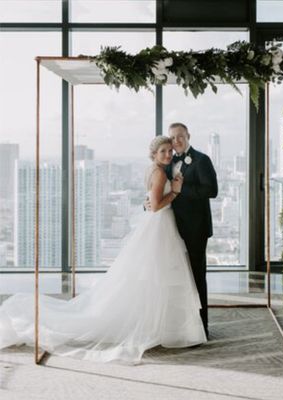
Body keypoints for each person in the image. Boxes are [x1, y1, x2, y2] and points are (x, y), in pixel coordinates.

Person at [0, 136, 207, 364]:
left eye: (169, 151)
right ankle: (158, 327)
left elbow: (151, 201)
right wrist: (176, 191)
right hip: (159, 226)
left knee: (155, 278)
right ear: (154, 155)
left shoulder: (155, 170)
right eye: (163, 151)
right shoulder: (159, 173)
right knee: (159, 276)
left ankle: (161, 326)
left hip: (159, 226)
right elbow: (157, 205)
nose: (168, 154)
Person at [166, 123, 218, 339]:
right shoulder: (169, 161)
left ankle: (201, 328)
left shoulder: (202, 159)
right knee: (176, 278)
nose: (177, 140)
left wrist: (181, 188)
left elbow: (211, 190)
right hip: (172, 227)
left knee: (197, 277)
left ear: (188, 136)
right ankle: (180, 326)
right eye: (173, 137)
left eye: (180, 136)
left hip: (196, 228)